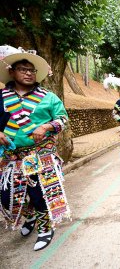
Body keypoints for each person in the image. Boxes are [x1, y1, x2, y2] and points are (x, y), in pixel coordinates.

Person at [0, 48, 70, 251]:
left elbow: (62, 119)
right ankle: (29, 216)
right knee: (7, 197)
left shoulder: (48, 97)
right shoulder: (2, 97)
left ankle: (45, 227)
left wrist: (47, 126)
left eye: (32, 70)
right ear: (12, 72)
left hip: (39, 154)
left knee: (39, 193)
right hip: (11, 157)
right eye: (23, 69)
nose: (29, 73)